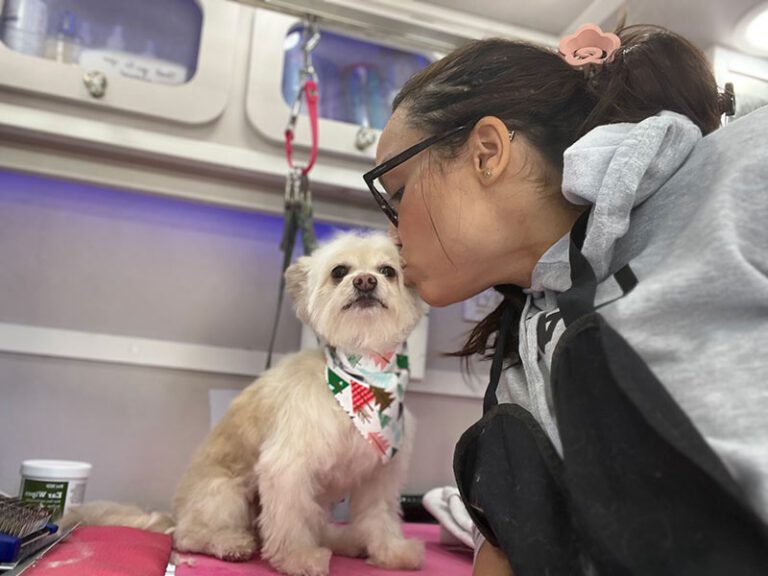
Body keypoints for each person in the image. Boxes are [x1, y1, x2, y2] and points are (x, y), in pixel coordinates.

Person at [364, 22, 768, 576]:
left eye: (398, 194)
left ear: (486, 151)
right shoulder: (527, 351)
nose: (392, 233)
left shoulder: (742, 170)